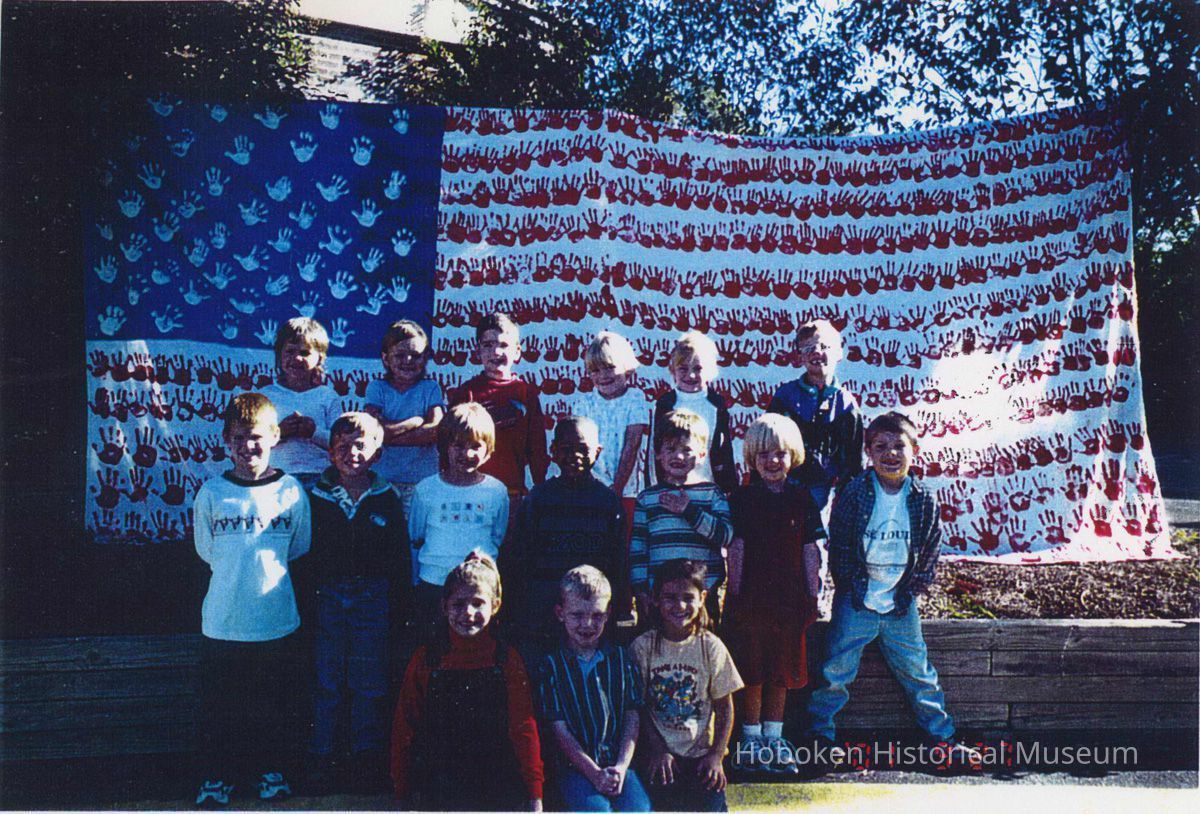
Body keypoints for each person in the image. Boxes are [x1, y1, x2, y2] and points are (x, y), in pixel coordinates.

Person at [806, 411, 978, 767]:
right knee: (836, 669)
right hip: (858, 601)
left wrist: (911, 590)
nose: (890, 453)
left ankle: (940, 737)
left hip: (900, 602)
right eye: (881, 446)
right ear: (868, 451)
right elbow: (839, 544)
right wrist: (853, 587)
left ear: (914, 450)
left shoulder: (922, 498)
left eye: (899, 446)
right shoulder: (854, 493)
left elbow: (931, 547)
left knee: (918, 670)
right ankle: (819, 736)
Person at [192, 393, 311, 807]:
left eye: (257, 437)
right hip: (223, 623)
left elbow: (298, 546)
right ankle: (218, 778)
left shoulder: (292, 491)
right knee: (222, 709)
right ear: (226, 441)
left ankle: (270, 773)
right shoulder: (211, 492)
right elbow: (207, 551)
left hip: (275, 619)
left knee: (272, 706)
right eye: (239, 438)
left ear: (275, 437)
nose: (249, 447)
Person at [302, 412, 409, 794]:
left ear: (377, 454)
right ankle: (322, 756)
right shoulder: (314, 496)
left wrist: (399, 603)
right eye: (343, 447)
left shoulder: (387, 497)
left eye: (360, 446)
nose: (352, 453)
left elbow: (399, 558)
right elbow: (306, 553)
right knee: (327, 680)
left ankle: (366, 756)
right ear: (330, 453)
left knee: (369, 680)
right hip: (327, 597)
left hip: (373, 599)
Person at [390, 554, 544, 811]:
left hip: (495, 782)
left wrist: (535, 795)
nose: (468, 613)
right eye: (458, 604)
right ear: (444, 606)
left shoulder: (506, 659)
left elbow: (524, 728)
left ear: (495, 605)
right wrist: (402, 791)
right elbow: (404, 727)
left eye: (477, 603)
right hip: (441, 785)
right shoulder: (428, 659)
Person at [726, 414, 825, 774]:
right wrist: (734, 597)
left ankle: (774, 736)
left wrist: (813, 597)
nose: (772, 461)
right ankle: (750, 738)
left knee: (782, 671)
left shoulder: (802, 500)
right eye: (764, 454)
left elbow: (810, 551)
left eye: (780, 454)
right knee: (751, 669)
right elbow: (736, 548)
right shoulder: (741, 500)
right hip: (751, 601)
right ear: (752, 457)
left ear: (793, 456)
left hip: (790, 601)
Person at [535, 566, 651, 812]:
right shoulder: (552, 666)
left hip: (619, 765)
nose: (587, 624)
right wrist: (594, 773)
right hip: (575, 767)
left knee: (639, 808)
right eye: (577, 615)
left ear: (608, 614)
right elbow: (560, 730)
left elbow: (632, 716)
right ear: (560, 613)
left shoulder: (621, 659)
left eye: (596, 615)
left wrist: (620, 766)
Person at [504, 417, 625, 651]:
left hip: (589, 615)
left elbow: (618, 561)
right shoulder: (538, 499)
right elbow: (519, 557)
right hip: (543, 609)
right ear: (553, 451)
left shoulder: (608, 502)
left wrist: (619, 609)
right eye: (566, 449)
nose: (575, 456)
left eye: (583, 449)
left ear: (598, 452)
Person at [631, 560, 743, 812]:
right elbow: (638, 707)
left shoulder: (711, 647)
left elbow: (725, 708)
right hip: (659, 756)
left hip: (701, 756)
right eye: (669, 597)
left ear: (703, 598)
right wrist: (658, 749)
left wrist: (716, 755)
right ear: (655, 599)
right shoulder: (643, 647)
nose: (679, 606)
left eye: (688, 597)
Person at [408, 403, 509, 642]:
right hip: (434, 584)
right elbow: (416, 535)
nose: (467, 454)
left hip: (479, 588)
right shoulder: (426, 489)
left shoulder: (496, 491)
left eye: (476, 446)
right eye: (459, 446)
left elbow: (498, 536)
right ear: (444, 447)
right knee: (433, 647)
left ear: (489, 449)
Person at [630, 410, 733, 625]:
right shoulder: (648, 498)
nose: (678, 457)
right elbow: (638, 549)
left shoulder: (711, 494)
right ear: (657, 453)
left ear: (702, 454)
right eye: (670, 449)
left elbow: (725, 535)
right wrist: (641, 589)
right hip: (659, 599)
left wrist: (690, 512)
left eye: (687, 450)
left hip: (702, 596)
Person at [448, 312, 550, 525]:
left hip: (511, 495)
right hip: (471, 495)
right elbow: (448, 448)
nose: (496, 352)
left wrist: (540, 494)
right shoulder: (466, 394)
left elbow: (538, 451)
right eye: (488, 345)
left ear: (517, 352)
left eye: (504, 345)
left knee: (511, 555)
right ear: (478, 351)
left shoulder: (527, 394)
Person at [767, 319, 863, 512]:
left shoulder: (846, 403)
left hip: (823, 487)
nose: (817, 352)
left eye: (824, 346)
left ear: (839, 353)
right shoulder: (785, 396)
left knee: (815, 536)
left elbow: (852, 461)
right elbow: (764, 443)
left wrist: (846, 499)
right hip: (785, 483)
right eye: (808, 348)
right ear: (800, 358)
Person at [363, 319, 445, 518]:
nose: (408, 360)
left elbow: (435, 430)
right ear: (385, 358)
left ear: (425, 358)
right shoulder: (376, 388)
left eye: (415, 355)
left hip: (422, 481)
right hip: (383, 481)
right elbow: (371, 430)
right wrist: (414, 422)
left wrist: (388, 435)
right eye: (400, 355)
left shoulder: (431, 388)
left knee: (414, 538)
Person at [649, 331, 736, 495]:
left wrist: (729, 489)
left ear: (710, 370)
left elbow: (725, 452)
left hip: (707, 488)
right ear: (673, 370)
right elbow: (655, 452)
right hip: (670, 489)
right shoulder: (665, 404)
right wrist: (657, 489)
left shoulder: (716, 404)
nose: (691, 375)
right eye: (683, 369)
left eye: (698, 368)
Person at [261, 317, 342, 489]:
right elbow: (254, 440)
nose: (297, 358)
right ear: (279, 355)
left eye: (305, 353)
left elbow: (339, 443)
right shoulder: (266, 396)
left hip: (320, 477)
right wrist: (280, 432)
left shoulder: (328, 397)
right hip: (276, 478)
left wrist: (313, 432)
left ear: (319, 359)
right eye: (290, 351)